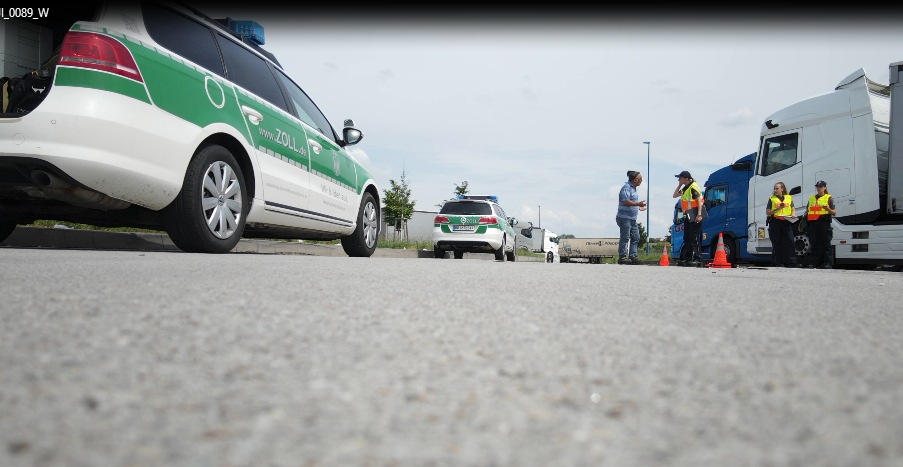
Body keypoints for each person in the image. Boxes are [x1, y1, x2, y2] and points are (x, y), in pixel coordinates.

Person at [673, 170, 704, 266]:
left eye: (680, 178)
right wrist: (679, 185)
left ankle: (698, 258)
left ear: (686, 178)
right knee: (687, 237)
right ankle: (688, 258)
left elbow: (699, 200)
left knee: (693, 237)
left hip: (695, 212)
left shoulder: (693, 187)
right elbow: (674, 195)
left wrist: (699, 214)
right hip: (689, 214)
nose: (679, 179)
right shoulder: (686, 188)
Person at [616, 170, 647, 265]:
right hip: (624, 217)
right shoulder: (626, 188)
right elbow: (625, 201)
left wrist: (638, 206)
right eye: (640, 178)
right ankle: (622, 257)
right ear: (635, 180)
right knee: (625, 237)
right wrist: (638, 203)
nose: (641, 180)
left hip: (632, 218)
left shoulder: (633, 189)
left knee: (636, 237)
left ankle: (633, 256)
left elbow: (631, 202)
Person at [765, 181, 799, 267]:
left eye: (777, 188)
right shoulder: (772, 199)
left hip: (786, 221)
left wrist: (793, 214)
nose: (775, 190)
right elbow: (768, 212)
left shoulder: (789, 198)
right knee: (777, 243)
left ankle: (792, 262)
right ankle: (779, 262)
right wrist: (778, 209)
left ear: (782, 189)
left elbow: (793, 208)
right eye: (775, 189)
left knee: (790, 241)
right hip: (776, 222)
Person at [806, 180, 836, 269]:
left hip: (823, 222)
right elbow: (808, 210)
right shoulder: (811, 198)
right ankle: (814, 263)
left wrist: (828, 209)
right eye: (817, 186)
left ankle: (828, 263)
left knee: (826, 243)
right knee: (814, 243)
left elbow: (834, 213)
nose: (819, 188)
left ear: (825, 188)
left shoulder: (828, 198)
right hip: (812, 223)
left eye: (821, 186)